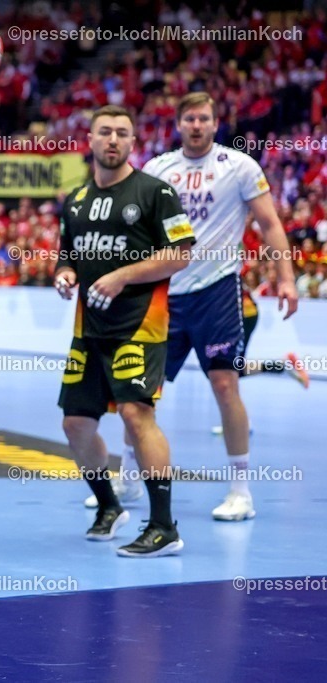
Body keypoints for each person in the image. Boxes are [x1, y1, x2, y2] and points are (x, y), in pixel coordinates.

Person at [130, 92, 299, 521]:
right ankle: (130, 477)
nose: (197, 125)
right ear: (179, 123)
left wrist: (285, 278)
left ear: (216, 122)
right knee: (140, 392)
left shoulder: (239, 166)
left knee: (226, 384)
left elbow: (269, 223)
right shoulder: (158, 169)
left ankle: (241, 492)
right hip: (165, 293)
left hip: (217, 290)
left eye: (204, 118)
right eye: (190, 118)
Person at [55, 105, 195, 557]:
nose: (112, 140)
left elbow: (180, 254)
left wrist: (122, 276)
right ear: (90, 140)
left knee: (137, 416)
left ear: (133, 142)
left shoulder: (157, 192)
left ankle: (163, 525)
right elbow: (67, 256)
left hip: (140, 326)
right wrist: (64, 274)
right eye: (104, 132)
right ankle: (109, 504)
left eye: (121, 133)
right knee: (75, 424)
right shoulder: (74, 200)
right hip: (88, 329)